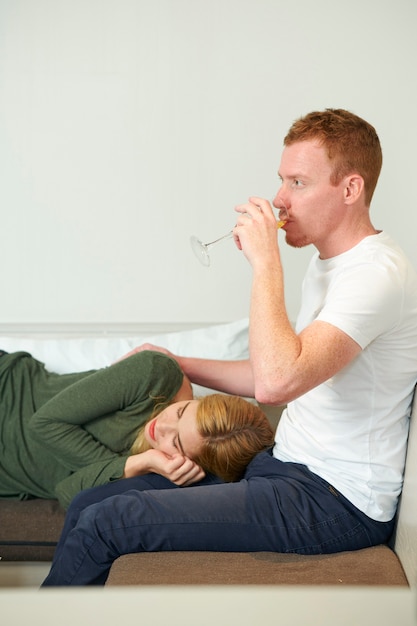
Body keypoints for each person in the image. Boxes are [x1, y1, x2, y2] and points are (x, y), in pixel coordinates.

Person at [41, 108, 417, 587]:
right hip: (285, 467)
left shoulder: (377, 276)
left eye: (298, 183)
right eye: (282, 180)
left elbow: (278, 383)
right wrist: (179, 364)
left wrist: (266, 265)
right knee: (90, 502)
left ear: (350, 189)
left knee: (105, 524)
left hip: (334, 502)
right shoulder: (336, 265)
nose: (280, 199)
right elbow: (272, 371)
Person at [0, 348, 274, 509]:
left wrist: (141, 463)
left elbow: (67, 492)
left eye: (176, 442)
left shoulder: (169, 473)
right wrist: (121, 466)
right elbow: (44, 424)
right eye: (181, 411)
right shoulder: (156, 375)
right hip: (8, 392)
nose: (162, 426)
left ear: (189, 461)